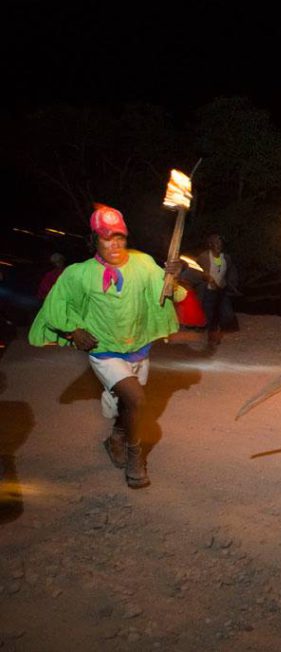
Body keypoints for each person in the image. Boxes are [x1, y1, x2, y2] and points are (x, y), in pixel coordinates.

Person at [28, 205, 184, 488]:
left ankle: (116, 436)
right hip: (104, 350)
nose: (114, 244)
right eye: (106, 237)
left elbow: (168, 291)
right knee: (136, 399)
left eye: (120, 237)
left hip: (138, 348)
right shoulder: (78, 273)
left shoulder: (143, 263)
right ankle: (135, 458)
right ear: (93, 240)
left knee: (126, 405)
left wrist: (174, 274)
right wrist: (73, 329)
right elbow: (56, 305)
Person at [196, 233, 238, 345]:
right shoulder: (204, 257)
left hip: (221, 290)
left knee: (227, 314)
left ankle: (217, 333)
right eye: (216, 243)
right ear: (210, 244)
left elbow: (230, 272)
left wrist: (232, 285)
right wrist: (207, 277)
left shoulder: (226, 258)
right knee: (210, 315)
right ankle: (212, 337)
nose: (219, 245)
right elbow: (197, 271)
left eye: (220, 243)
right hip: (209, 291)